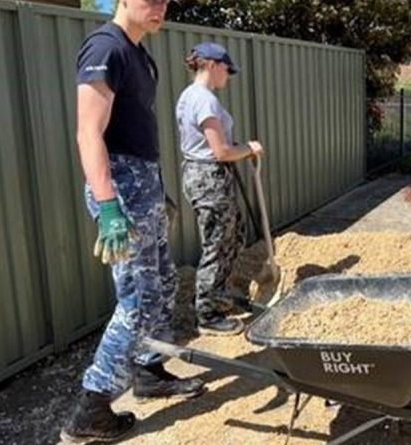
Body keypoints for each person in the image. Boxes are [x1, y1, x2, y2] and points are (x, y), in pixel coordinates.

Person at [61, 0, 205, 442]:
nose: (160, 6)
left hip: (143, 189)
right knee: (136, 302)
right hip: (121, 194)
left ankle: (147, 372)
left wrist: (157, 194)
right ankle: (92, 406)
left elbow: (135, 131)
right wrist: (108, 207)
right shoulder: (106, 48)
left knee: (163, 285)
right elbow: (89, 132)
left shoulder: (139, 53)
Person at [175, 42, 264, 335]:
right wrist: (248, 148)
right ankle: (207, 314)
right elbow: (221, 151)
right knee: (217, 243)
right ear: (212, 65)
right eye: (227, 69)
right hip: (209, 178)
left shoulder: (189, 96)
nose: (228, 75)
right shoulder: (204, 100)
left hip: (204, 176)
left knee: (233, 234)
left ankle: (217, 293)